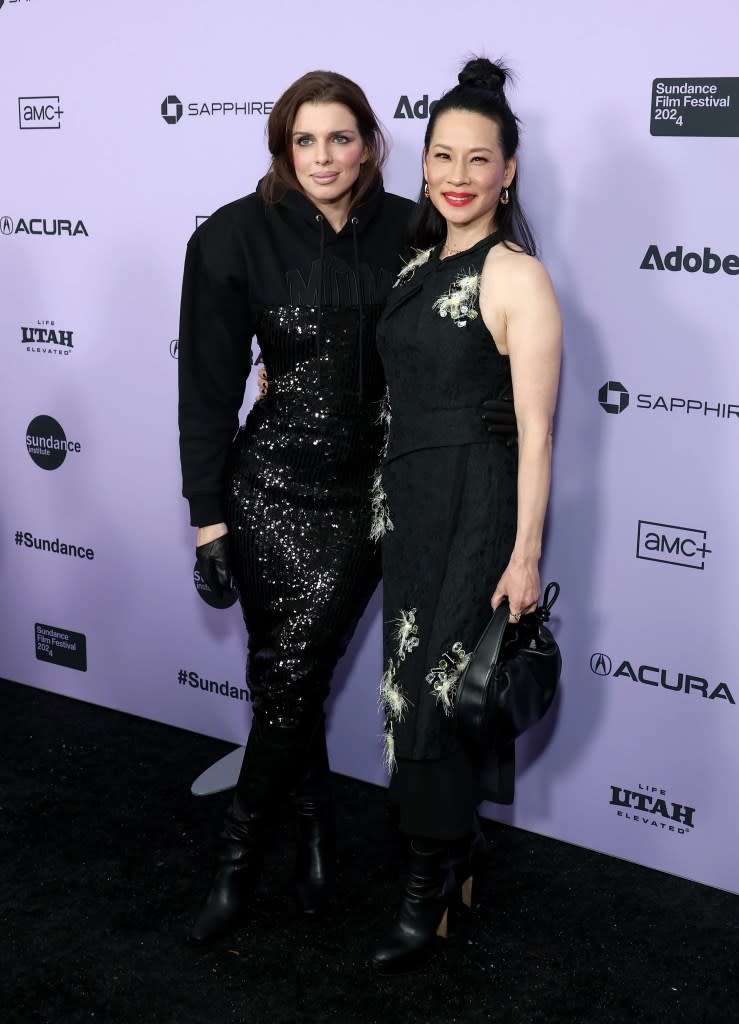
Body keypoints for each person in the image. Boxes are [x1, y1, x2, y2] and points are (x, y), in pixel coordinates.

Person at [177, 70, 416, 943]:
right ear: (283, 146)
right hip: (268, 489)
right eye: (304, 140)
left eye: (340, 138)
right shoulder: (232, 236)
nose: (323, 157)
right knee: (291, 676)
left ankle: (237, 865)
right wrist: (209, 517)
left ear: (369, 145)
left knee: (286, 680)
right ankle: (311, 834)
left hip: (366, 499)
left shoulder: (410, 228)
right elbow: (205, 389)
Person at [370, 57, 562, 974]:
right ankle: (458, 851)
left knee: (441, 693)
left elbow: (536, 432)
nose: (456, 175)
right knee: (408, 681)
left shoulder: (515, 274)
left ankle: (431, 880)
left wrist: (524, 555)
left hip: (476, 504)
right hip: (407, 503)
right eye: (441, 156)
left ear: (507, 172)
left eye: (477, 160)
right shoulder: (417, 263)